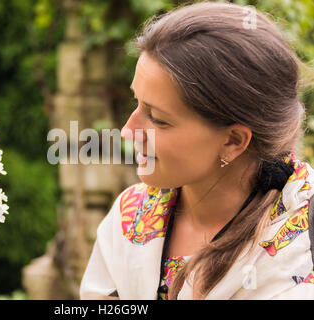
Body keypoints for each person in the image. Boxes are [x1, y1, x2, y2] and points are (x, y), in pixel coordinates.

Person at [80, 1, 314, 300]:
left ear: (233, 141)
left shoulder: (300, 252)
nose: (128, 130)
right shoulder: (131, 216)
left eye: (158, 119)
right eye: (136, 102)